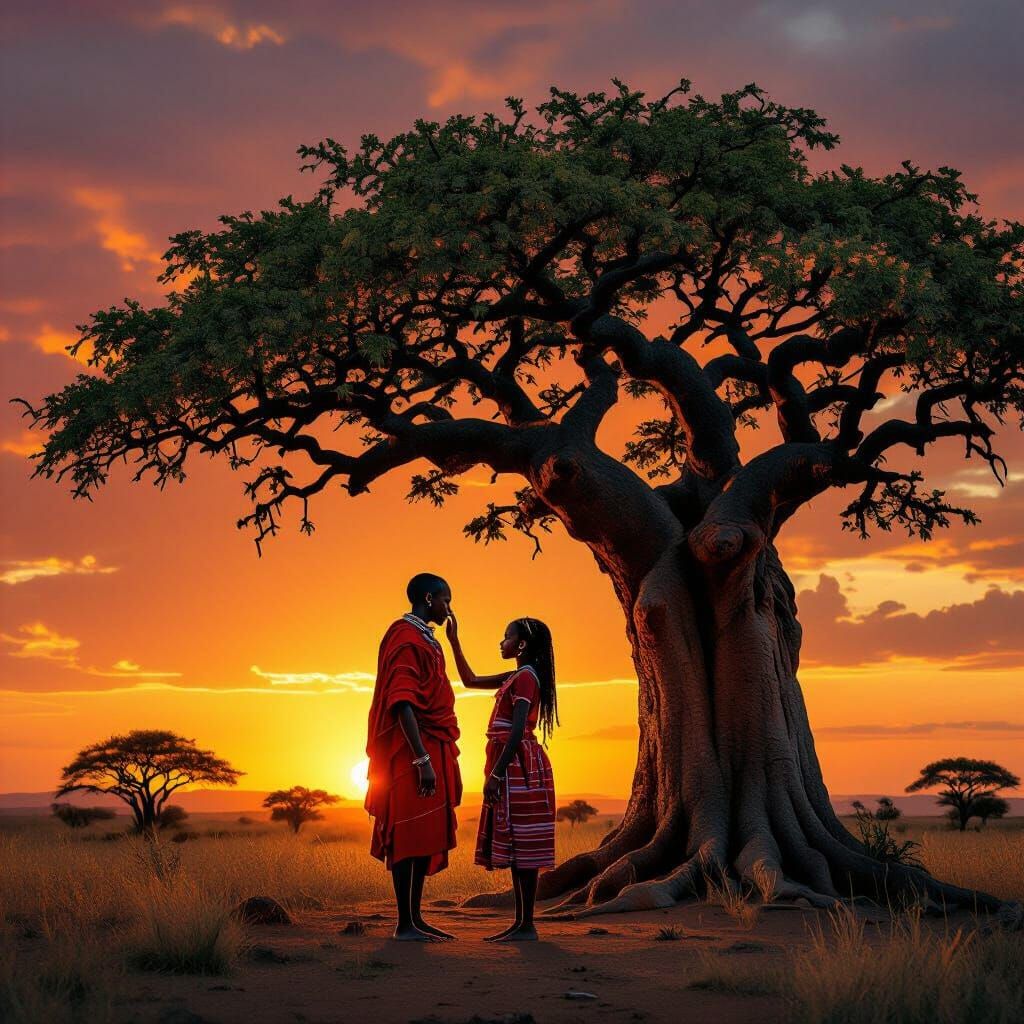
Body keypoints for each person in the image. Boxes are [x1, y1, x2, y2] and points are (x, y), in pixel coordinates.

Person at [446, 611, 558, 941]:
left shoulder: (525, 678)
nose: (502, 642)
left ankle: (527, 925)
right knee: (518, 845)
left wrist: (495, 775)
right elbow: (469, 680)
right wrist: (454, 642)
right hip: (511, 762)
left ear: (521, 645)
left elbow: (517, 730)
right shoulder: (516, 675)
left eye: (507, 636)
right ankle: (522, 924)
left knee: (524, 846)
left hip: (518, 765)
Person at [365, 573, 462, 941]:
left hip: (431, 744)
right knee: (407, 834)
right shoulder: (405, 637)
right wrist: (422, 760)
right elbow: (402, 702)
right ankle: (404, 924)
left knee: (425, 834)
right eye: (446, 600)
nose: (449, 608)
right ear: (428, 598)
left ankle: (417, 919)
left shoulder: (426, 638)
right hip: (411, 751)